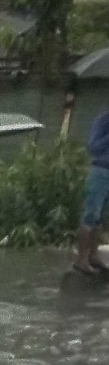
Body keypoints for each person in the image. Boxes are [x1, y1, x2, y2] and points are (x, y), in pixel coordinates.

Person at [76, 108, 109, 275]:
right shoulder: (103, 121)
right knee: (91, 215)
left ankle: (94, 256)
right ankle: (82, 260)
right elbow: (93, 147)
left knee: (100, 217)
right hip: (100, 171)